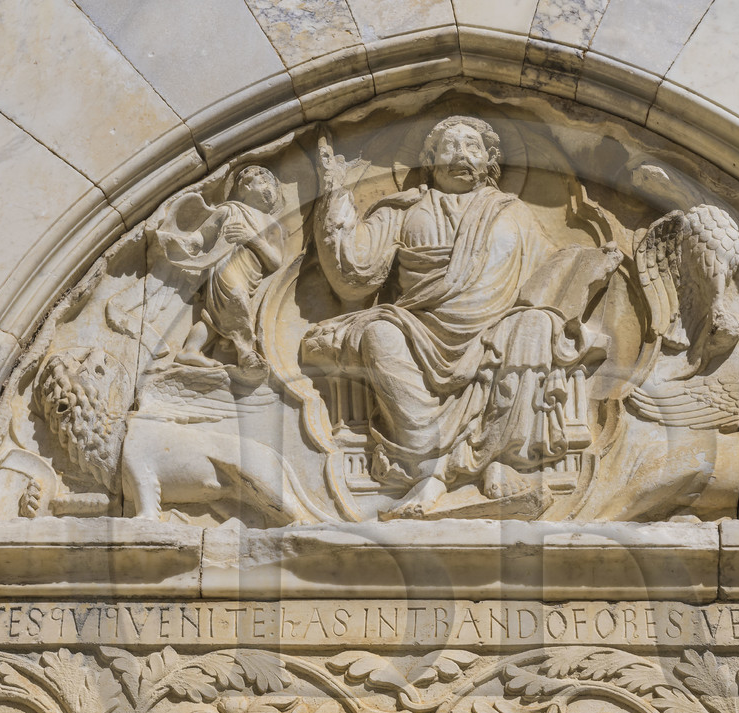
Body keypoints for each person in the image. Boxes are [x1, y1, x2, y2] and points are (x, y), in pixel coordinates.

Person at [305, 116, 589, 518]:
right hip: (418, 327)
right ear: (430, 159)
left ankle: (500, 459)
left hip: (497, 329)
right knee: (379, 335)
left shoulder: (513, 212)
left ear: (490, 160)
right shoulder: (405, 210)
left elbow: (547, 272)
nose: (461, 156)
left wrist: (584, 267)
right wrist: (334, 193)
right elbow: (354, 274)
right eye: (450, 146)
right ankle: (429, 469)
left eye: (472, 148)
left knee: (534, 325)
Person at [171, 165, 284, 380]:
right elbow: (202, 235)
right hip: (224, 266)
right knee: (236, 299)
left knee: (215, 318)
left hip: (251, 274)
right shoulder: (229, 210)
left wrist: (252, 238)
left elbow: (275, 261)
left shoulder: (272, 225)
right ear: (244, 188)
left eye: (270, 184)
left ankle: (190, 350)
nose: (267, 188)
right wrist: (187, 244)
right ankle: (245, 352)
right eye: (259, 182)